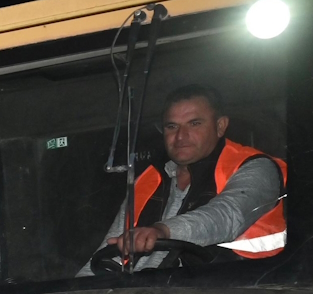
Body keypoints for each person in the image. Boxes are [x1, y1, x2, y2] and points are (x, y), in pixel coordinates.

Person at [86, 83, 286, 271]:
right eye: (171, 126)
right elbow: (108, 249)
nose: (181, 136)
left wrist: (162, 231)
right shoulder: (147, 181)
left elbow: (227, 216)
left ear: (220, 126)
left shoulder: (257, 168)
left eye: (194, 123)